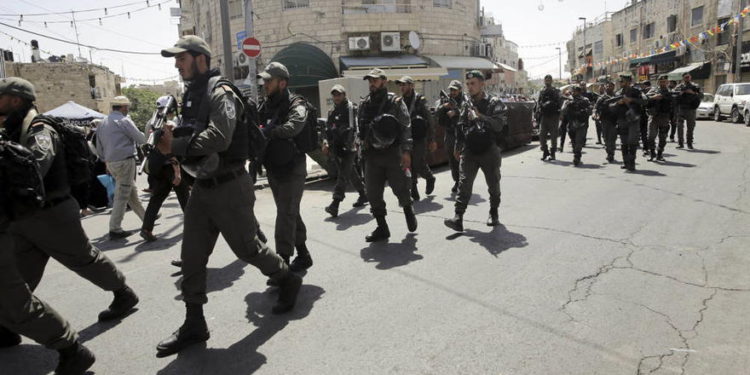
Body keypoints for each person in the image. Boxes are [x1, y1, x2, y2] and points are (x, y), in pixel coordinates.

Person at [155, 36, 301, 357]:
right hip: (202, 187)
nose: (177, 65)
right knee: (192, 257)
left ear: (200, 59)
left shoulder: (220, 91)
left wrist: (177, 146)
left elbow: (220, 136)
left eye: (181, 58)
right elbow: (193, 135)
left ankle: (286, 278)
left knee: (248, 248)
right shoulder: (191, 95)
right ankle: (195, 323)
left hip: (229, 185)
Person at [0, 77, 139, 326]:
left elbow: (35, 165)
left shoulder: (40, 129)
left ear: (14, 99)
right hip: (24, 216)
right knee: (17, 274)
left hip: (52, 213)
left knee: (84, 259)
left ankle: (123, 293)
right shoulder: (12, 128)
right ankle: (10, 321)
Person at [256, 62, 313, 273]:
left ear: (282, 83)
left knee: (285, 214)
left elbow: (294, 126)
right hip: (274, 167)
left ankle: (282, 264)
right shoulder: (266, 104)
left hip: (292, 167)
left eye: (269, 81)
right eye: (264, 80)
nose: (265, 84)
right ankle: (304, 254)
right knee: (289, 212)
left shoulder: (296, 103)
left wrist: (271, 131)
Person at [357, 68, 417, 242]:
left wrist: (406, 151)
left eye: (374, 80)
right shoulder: (365, 103)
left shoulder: (395, 102)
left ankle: (408, 210)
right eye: (370, 81)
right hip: (372, 155)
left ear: (383, 81)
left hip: (393, 153)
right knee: (373, 193)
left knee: (400, 188)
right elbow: (360, 127)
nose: (371, 84)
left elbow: (406, 126)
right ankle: (382, 228)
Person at [444, 70, 507, 232]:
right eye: (468, 84)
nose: (470, 87)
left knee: (493, 183)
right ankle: (458, 217)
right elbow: (461, 125)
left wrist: (481, 117)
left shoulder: (494, 102)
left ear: (482, 84)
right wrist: (458, 146)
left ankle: (494, 212)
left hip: (488, 149)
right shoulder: (466, 103)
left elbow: (499, 125)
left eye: (473, 84)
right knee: (464, 183)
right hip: (470, 149)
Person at [95, 95, 147, 240]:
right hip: (124, 161)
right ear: (124, 107)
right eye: (127, 106)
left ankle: (147, 218)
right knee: (122, 195)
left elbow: (98, 145)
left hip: (111, 162)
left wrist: (105, 159)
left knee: (131, 192)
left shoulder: (103, 122)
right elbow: (140, 139)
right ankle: (115, 228)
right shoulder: (124, 120)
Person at [139, 96, 191, 242]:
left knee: (157, 198)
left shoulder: (151, 123)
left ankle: (146, 228)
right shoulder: (166, 125)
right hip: (170, 167)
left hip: (157, 168)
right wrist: (178, 172)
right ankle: (194, 227)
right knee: (184, 197)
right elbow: (170, 150)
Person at [322, 84, 367, 218]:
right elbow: (327, 129)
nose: (336, 97)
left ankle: (335, 204)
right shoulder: (332, 112)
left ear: (344, 95)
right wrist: (325, 142)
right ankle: (364, 194)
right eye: (334, 95)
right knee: (350, 172)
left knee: (343, 174)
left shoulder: (352, 109)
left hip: (350, 146)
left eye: (339, 94)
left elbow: (360, 125)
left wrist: (359, 140)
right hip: (337, 146)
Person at [396, 76, 436, 201]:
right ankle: (413, 188)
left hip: (419, 136)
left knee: (418, 163)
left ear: (411, 86)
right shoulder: (399, 101)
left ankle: (429, 177)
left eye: (404, 85)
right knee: (408, 163)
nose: (402, 87)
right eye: (400, 85)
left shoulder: (420, 100)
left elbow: (429, 119)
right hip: (405, 137)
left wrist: (432, 139)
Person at [435, 80, 465, 192]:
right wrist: (444, 106)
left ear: (460, 90)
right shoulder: (445, 100)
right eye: (451, 89)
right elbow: (436, 113)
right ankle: (457, 181)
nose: (452, 92)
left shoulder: (465, 100)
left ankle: (464, 181)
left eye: (455, 90)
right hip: (450, 133)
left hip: (462, 132)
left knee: (463, 158)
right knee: (452, 159)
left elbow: (469, 110)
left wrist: (456, 111)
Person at [610, 74, 643, 172]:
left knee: (632, 142)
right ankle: (626, 162)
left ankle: (632, 163)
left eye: (622, 81)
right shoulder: (618, 93)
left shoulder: (636, 92)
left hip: (633, 120)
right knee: (624, 142)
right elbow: (611, 106)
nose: (620, 83)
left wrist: (631, 100)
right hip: (622, 120)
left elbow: (645, 101)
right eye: (620, 81)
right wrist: (617, 103)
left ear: (629, 82)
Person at [562, 86, 592, 166]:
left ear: (579, 92)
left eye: (575, 91)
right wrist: (567, 104)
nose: (573, 93)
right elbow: (563, 111)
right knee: (574, 141)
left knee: (579, 141)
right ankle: (576, 152)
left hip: (581, 124)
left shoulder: (585, 100)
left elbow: (590, 111)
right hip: (571, 124)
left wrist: (582, 112)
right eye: (573, 91)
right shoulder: (568, 100)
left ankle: (577, 157)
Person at [536, 74, 562, 161]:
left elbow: (559, 103)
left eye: (549, 80)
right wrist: (537, 112)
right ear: (544, 81)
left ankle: (553, 153)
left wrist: (551, 104)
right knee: (541, 136)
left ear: (551, 81)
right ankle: (545, 151)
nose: (547, 81)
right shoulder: (542, 91)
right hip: (544, 116)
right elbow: (539, 102)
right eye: (546, 80)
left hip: (553, 116)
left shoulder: (555, 91)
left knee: (553, 136)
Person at [673, 73, 702, 149]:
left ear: (690, 77)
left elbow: (701, 96)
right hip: (681, 109)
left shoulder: (695, 86)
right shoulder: (679, 87)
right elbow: (673, 96)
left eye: (688, 77)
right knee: (679, 127)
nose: (687, 78)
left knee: (690, 127)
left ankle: (689, 143)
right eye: (685, 77)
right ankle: (680, 143)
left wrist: (692, 92)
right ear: (683, 78)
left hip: (691, 109)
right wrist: (680, 93)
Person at [595, 81, 618, 163]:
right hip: (604, 120)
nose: (609, 88)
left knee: (613, 138)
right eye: (607, 86)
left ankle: (611, 153)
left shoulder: (617, 96)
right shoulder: (601, 98)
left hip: (614, 120)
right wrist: (595, 115)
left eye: (611, 86)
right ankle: (609, 151)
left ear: (613, 87)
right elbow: (596, 108)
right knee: (605, 137)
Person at [638, 81, 652, 156]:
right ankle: (645, 147)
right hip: (641, 115)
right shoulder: (640, 93)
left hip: (650, 115)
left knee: (647, 133)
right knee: (642, 133)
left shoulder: (653, 91)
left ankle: (647, 147)